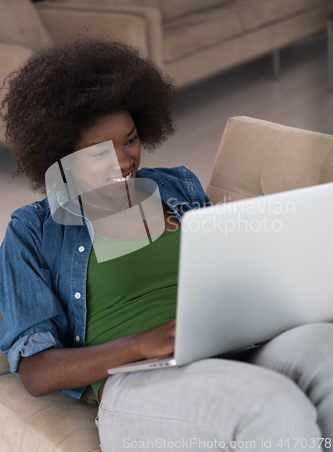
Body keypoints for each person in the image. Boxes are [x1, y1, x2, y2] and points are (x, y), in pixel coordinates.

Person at [0, 37, 333, 452]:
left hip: (233, 348)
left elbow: (231, 271)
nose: (123, 161)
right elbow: (35, 372)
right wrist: (143, 343)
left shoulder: (178, 185)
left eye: (130, 140)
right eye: (97, 153)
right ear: (61, 155)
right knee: (266, 403)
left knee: (325, 350)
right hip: (135, 382)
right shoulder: (32, 231)